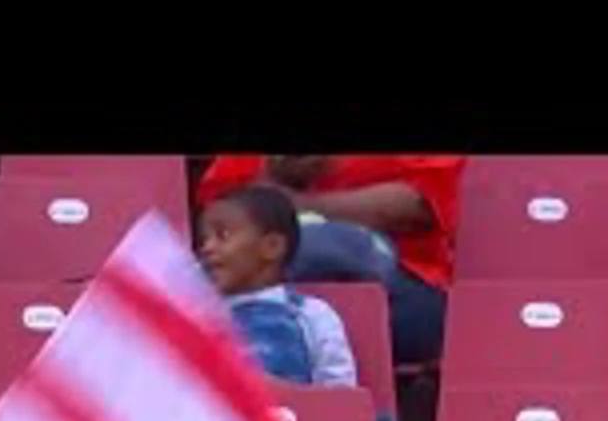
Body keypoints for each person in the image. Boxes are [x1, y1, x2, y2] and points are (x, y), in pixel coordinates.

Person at [198, 183, 421, 421]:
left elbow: (338, 398)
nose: (207, 248)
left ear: (272, 247)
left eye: (222, 236)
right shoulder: (199, 320)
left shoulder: (310, 315)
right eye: (204, 239)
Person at [197, 155, 464, 365]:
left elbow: (418, 205)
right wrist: (276, 172)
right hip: (275, 275)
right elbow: (222, 207)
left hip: (403, 284)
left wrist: (295, 205)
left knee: (320, 247)